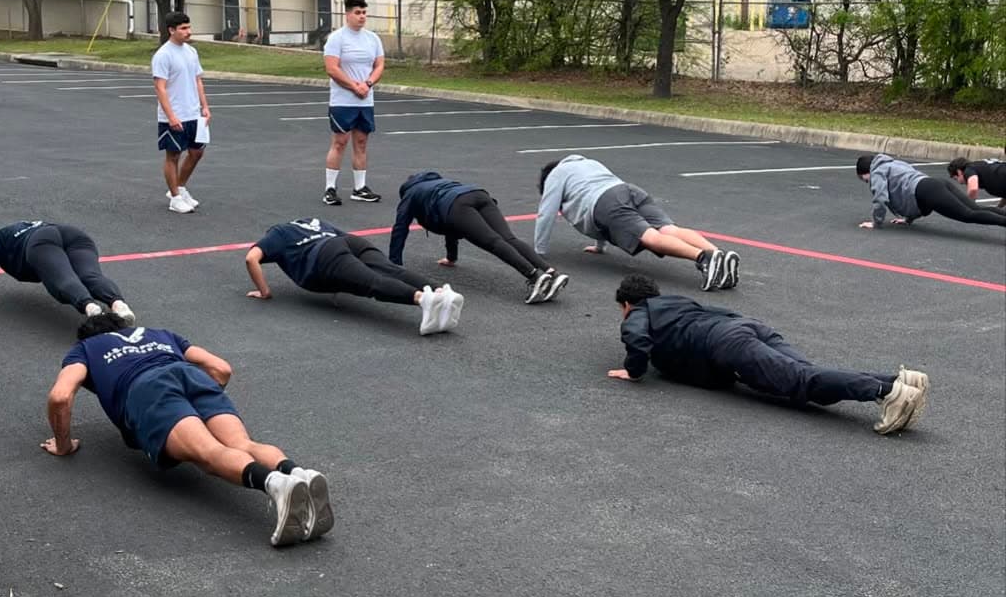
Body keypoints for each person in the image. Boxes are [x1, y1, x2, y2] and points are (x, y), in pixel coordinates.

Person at [40, 312, 332, 547]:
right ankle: (296, 472)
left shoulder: (86, 349)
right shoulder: (160, 334)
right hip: (190, 375)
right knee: (243, 444)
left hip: (148, 390)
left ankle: (275, 485)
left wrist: (63, 444)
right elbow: (221, 369)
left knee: (210, 453)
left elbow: (60, 396)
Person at [606, 273, 928, 436]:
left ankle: (887, 393)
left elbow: (636, 338)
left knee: (801, 382)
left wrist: (634, 370)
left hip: (726, 343)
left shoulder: (639, 313)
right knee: (807, 372)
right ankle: (899, 380)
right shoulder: (677, 302)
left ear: (627, 305)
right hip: (745, 326)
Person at [534, 155, 740, 291]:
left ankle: (703, 258)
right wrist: (600, 246)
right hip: (627, 190)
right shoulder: (587, 163)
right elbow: (598, 214)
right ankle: (718, 255)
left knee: (651, 238)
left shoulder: (556, 175)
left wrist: (539, 251)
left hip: (606, 202)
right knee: (669, 229)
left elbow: (547, 211)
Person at [245, 217, 464, 335]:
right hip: (349, 241)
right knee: (391, 269)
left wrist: (265, 292)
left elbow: (251, 258)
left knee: (372, 282)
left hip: (324, 256)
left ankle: (421, 299)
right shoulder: (311, 221)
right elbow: (343, 239)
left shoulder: (277, 233)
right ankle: (441, 291)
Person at [389, 170, 569, 304]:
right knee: (508, 238)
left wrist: (394, 265)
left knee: (492, 242)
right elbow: (449, 226)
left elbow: (400, 228)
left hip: (456, 206)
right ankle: (550, 271)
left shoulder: (410, 194)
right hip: (478, 194)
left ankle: (534, 276)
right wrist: (451, 257)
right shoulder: (442, 183)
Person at [0, 220, 135, 324]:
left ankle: (90, 308)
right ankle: (118, 304)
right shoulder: (23, 226)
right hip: (71, 233)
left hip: (41, 240)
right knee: (90, 275)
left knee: (63, 279)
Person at [322, 0, 384, 205]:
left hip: (365, 101)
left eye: (364, 12)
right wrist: (353, 86)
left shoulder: (373, 39)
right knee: (340, 142)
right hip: (343, 100)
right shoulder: (336, 38)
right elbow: (332, 68)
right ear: (347, 14)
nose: (362, 16)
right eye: (358, 12)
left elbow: (379, 65)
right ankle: (330, 188)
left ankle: (359, 188)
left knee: (361, 143)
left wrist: (367, 84)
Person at [152, 11, 212, 214]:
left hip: (193, 113)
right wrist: (171, 117)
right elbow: (160, 87)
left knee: (196, 152)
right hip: (174, 114)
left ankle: (180, 187)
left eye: (189, 27)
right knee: (174, 155)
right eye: (183, 28)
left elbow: (198, 80)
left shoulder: (191, 52)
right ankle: (175, 198)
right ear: (171, 30)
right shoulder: (163, 55)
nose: (188, 32)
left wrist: (205, 106)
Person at [856, 154, 1006, 230]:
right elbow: (907, 190)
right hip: (935, 183)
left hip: (927, 190)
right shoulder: (893, 163)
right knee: (977, 209)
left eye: (865, 179)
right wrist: (908, 218)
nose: (868, 182)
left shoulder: (876, 172)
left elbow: (881, 198)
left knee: (968, 215)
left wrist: (876, 222)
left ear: (866, 171)